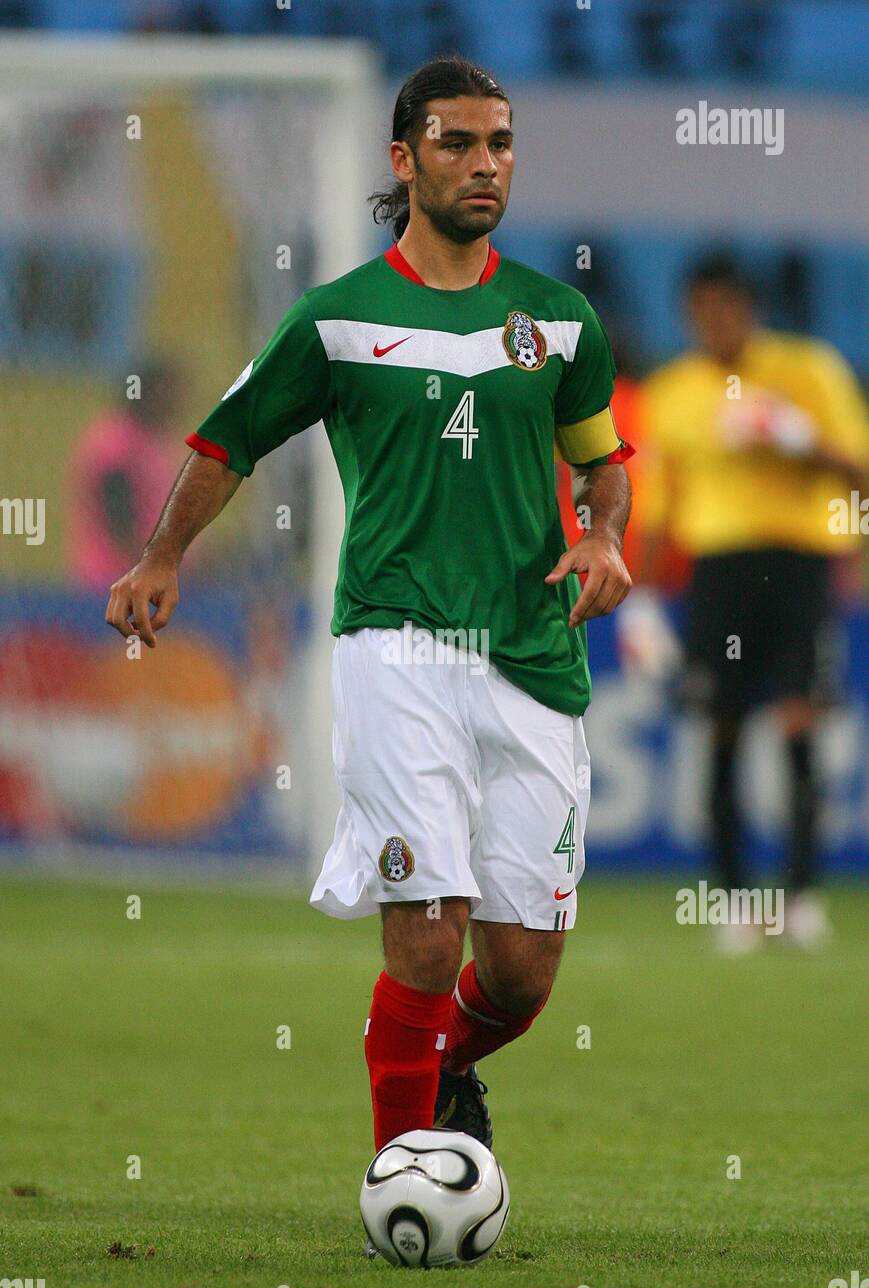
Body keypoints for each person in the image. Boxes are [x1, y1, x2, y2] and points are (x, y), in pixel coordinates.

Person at [105, 57, 633, 1199]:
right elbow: (225, 439)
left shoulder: (557, 318)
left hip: (533, 659)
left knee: (522, 972)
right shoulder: (336, 320)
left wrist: (600, 534)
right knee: (427, 934)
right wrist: (161, 554)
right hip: (393, 647)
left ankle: (427, 1064)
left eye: (498, 143)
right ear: (403, 159)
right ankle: (398, 1179)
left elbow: (603, 468)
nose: (483, 163)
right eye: (455, 142)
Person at [632, 255, 868, 951]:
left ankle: (799, 899)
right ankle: (734, 904)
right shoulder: (671, 392)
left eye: (727, 307)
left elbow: (858, 470)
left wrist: (797, 438)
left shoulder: (807, 370)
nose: (716, 322)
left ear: (751, 307)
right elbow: (654, 505)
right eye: (702, 310)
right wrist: (641, 599)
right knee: (721, 731)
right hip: (717, 573)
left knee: (799, 724)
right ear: (687, 315)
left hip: (796, 565)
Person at [68, 358, 184, 591]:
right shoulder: (116, 443)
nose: (176, 403)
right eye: (167, 393)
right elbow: (119, 525)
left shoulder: (156, 441)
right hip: (112, 582)